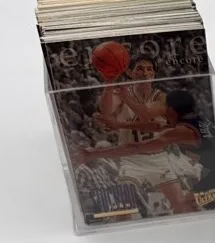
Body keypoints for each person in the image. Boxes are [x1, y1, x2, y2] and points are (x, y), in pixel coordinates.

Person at [80, 58, 205, 214]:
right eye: (139, 69)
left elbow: (146, 115)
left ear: (154, 74)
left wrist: (125, 105)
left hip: (158, 158)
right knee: (124, 209)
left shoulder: (161, 97)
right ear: (130, 73)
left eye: (149, 69)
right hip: (131, 159)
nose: (145, 73)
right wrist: (109, 83)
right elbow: (106, 111)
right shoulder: (121, 94)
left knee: (181, 205)